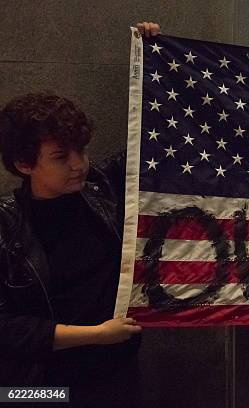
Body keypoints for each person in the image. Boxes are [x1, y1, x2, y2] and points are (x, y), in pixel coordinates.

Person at [0, 22, 160, 406]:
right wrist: (96, 334)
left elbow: (151, 138)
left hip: (115, 375)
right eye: (61, 157)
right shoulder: (6, 226)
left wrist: (153, 57)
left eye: (81, 151)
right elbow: (6, 328)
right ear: (25, 163)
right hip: (36, 387)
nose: (78, 165)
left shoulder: (101, 190)